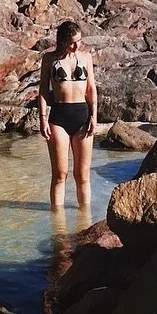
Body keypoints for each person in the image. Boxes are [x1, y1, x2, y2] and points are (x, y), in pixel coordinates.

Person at [38, 19, 96, 212]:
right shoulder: (49, 59)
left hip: (83, 116)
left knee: (82, 175)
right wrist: (43, 119)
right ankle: (58, 223)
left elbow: (91, 89)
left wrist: (94, 117)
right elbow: (44, 92)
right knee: (60, 174)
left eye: (79, 40)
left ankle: (85, 221)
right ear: (62, 41)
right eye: (72, 42)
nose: (76, 45)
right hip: (59, 117)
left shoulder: (86, 57)